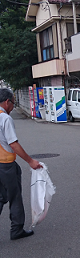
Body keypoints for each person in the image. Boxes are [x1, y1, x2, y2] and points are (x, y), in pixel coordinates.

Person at [0, 88, 42, 240]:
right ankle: (16, 229)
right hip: (6, 165)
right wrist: (30, 161)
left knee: (0, 196)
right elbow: (13, 144)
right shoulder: (4, 118)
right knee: (15, 196)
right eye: (12, 102)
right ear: (7, 102)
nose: (13, 106)